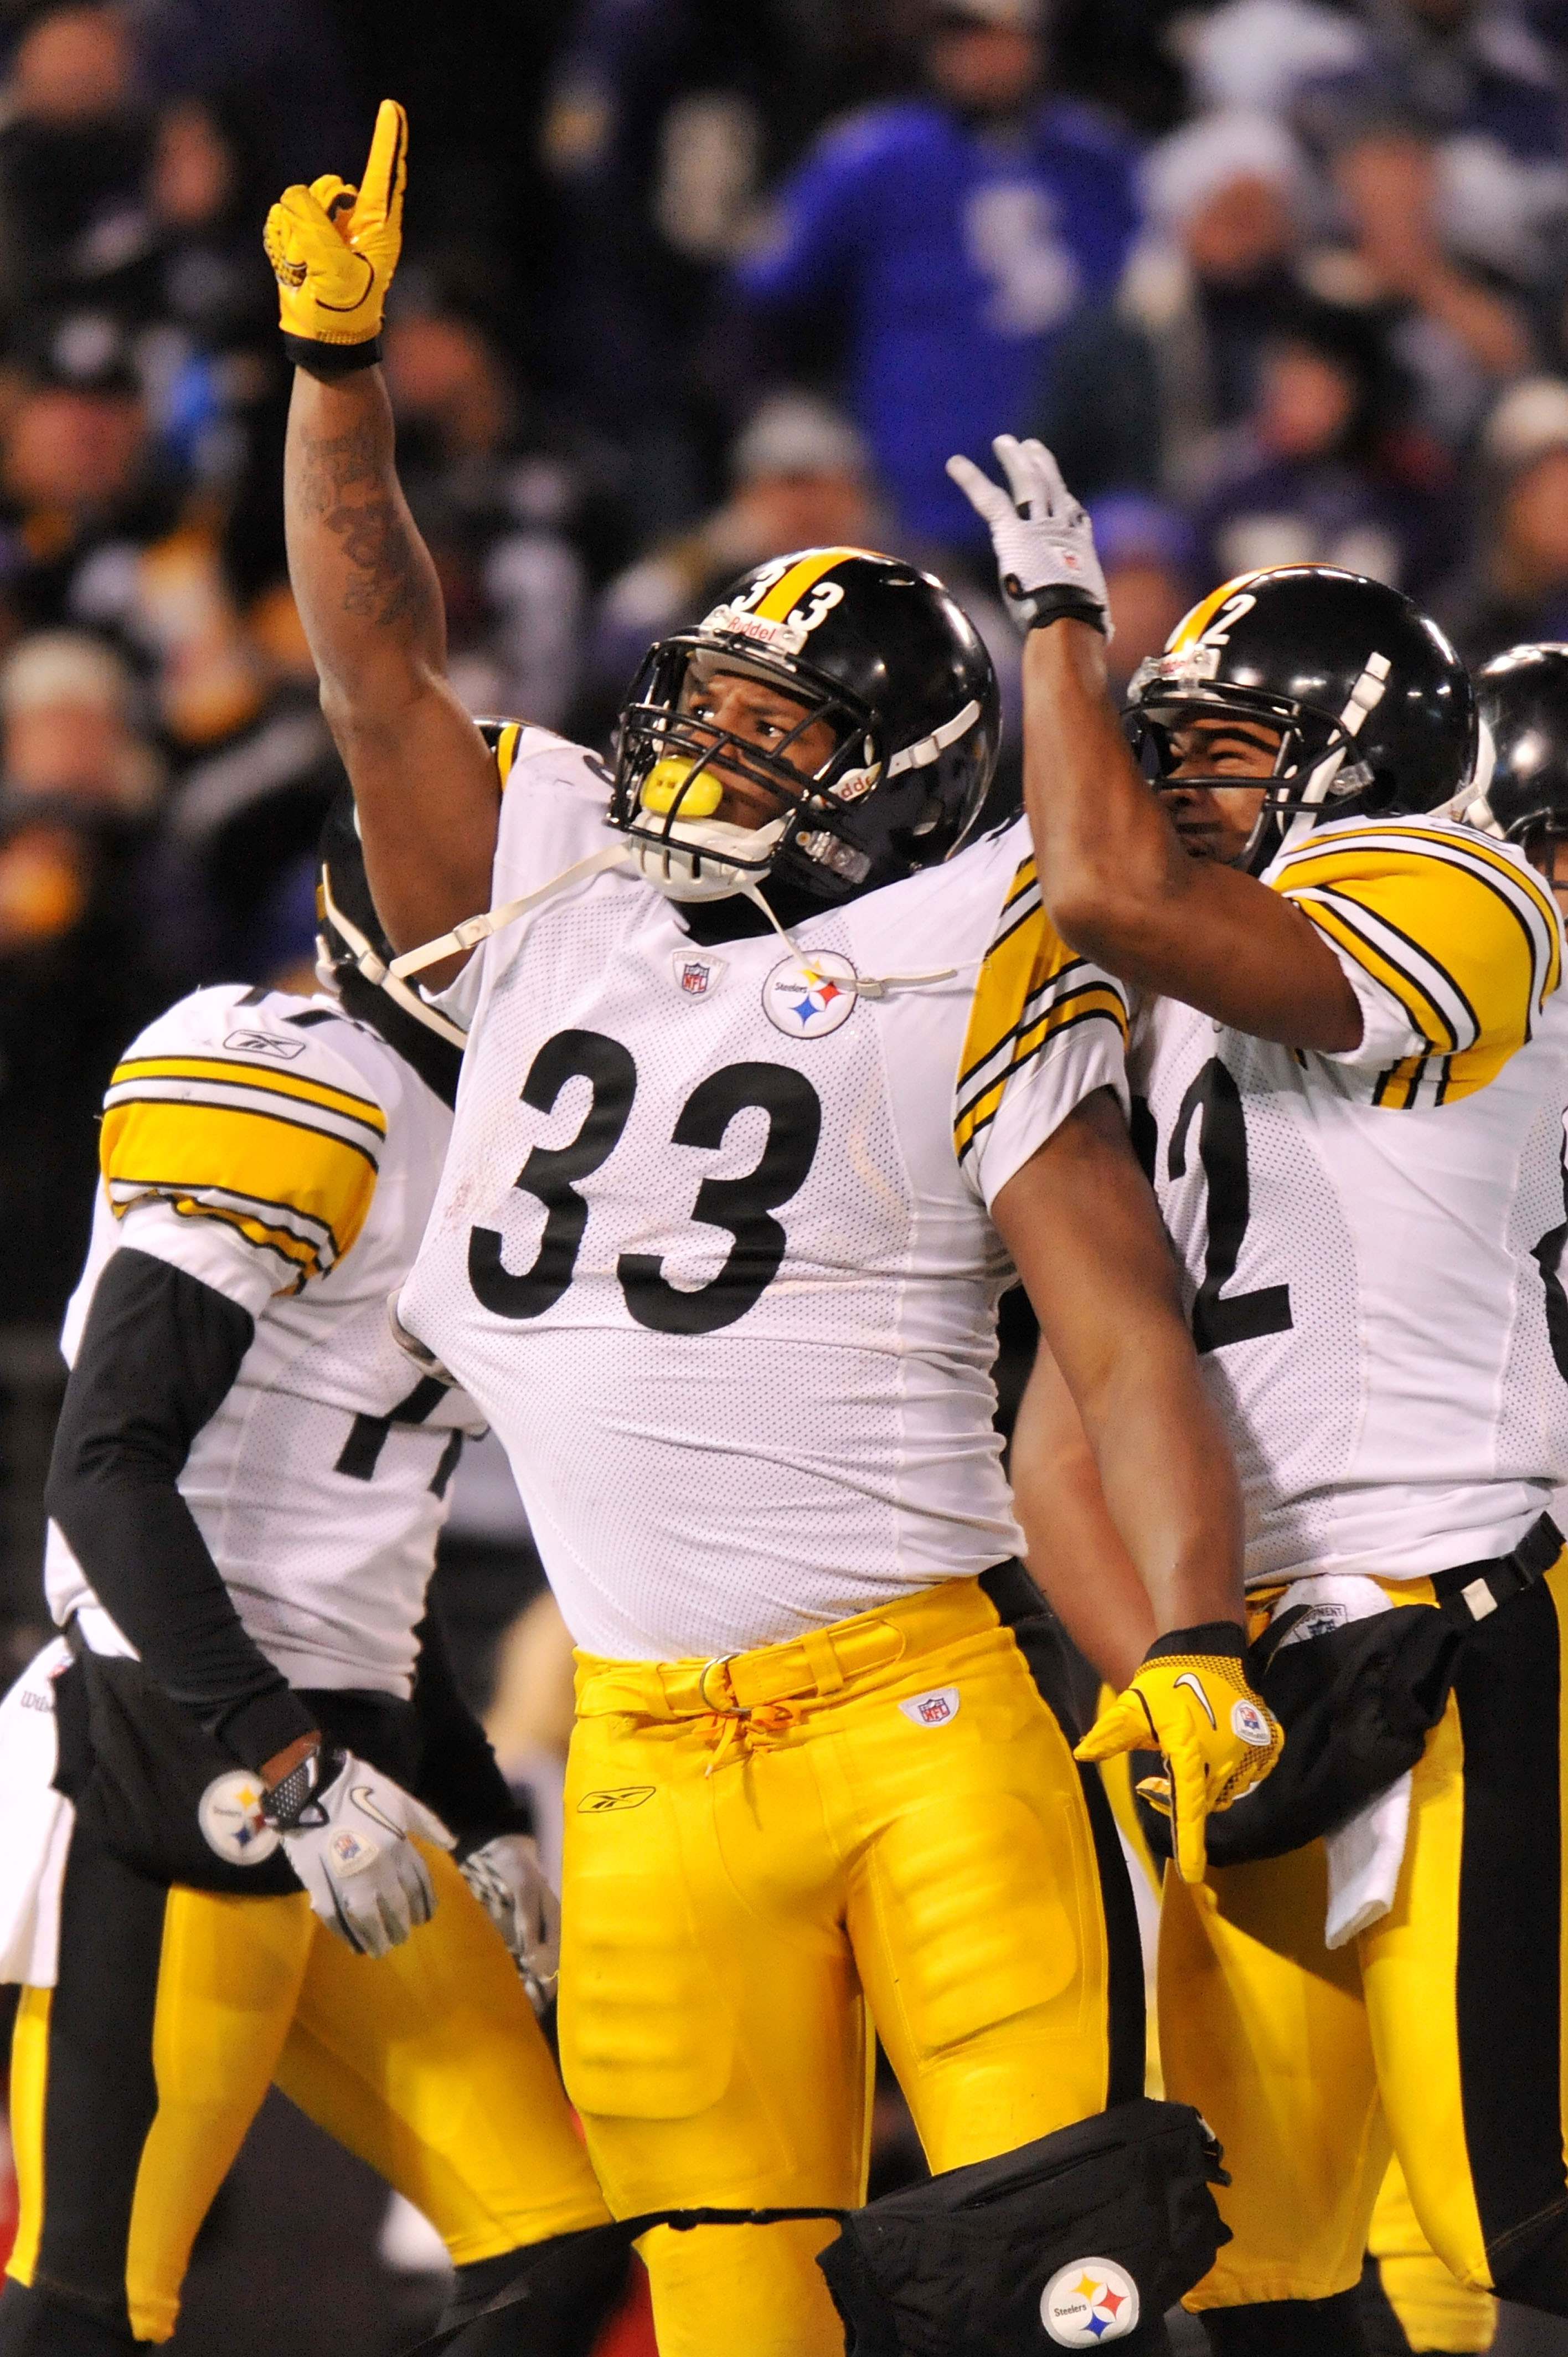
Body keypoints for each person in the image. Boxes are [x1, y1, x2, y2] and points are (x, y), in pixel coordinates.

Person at [265, 102, 1281, 2357]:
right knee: (727, 2327)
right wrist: (339, 381)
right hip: (630, 1748)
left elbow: (1122, 1331)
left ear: (905, 774)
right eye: (706, 705)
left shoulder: (969, 937)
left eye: (780, 724)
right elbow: (373, 664)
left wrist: (1194, 1634)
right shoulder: (548, 881)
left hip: (920, 1705)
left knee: (1058, 2296)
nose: (713, 754)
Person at [950, 433, 1568, 2353]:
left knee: (1504, 2209)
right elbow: (1069, 1398)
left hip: (1464, 1617)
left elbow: (1114, 888)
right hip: (1267, 1664)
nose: (1172, 783)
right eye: (1169, 742)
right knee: (1279, 2262)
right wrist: (1164, 1652)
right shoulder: (1159, 1010)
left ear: (1351, 756)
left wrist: (1060, 626)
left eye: (1215, 746)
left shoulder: (1462, 893)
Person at [0, 799, 625, 2357]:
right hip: (179, 1742)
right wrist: (280, 1754)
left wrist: (469, 1806)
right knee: (96, 2301)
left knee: (557, 2249)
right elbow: (107, 1463)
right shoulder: (298, 1076)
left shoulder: (501, 1141)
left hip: (343, 1753)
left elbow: (371, 1542)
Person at [732, 0, 1139, 554]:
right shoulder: (873, 155)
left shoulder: (1097, 158)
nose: (981, 56)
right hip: (912, 481)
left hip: (1078, 482)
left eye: (999, 37)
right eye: (963, 38)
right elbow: (767, 301)